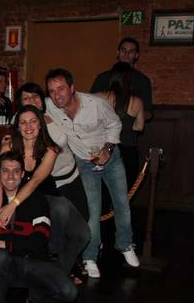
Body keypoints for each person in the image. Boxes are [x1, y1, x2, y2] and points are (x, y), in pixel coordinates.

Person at [45, 68, 139, 278]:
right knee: (93, 210)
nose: (57, 95)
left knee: (121, 203)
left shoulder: (95, 105)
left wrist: (107, 149)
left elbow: (116, 124)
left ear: (72, 88)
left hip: (110, 158)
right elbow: (31, 104)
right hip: (85, 163)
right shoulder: (50, 106)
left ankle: (124, 244)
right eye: (52, 91)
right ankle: (90, 257)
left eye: (61, 89)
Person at [0, 152, 77, 303]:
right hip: (6, 266)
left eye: (16, 171)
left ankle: (36, 296)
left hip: (34, 263)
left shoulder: (36, 200)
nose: (10, 176)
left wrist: (6, 244)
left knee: (69, 292)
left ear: (22, 174)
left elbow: (39, 241)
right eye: (5, 171)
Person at [0, 105, 90, 280]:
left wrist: (11, 206)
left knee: (83, 234)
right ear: (17, 127)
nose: (28, 127)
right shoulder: (9, 147)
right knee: (58, 221)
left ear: (40, 125)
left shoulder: (50, 149)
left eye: (33, 121)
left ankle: (61, 269)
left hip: (47, 196)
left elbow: (36, 180)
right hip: (26, 202)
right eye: (23, 122)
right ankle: (57, 275)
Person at [11, 82, 89, 219]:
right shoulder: (20, 122)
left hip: (69, 178)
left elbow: (77, 100)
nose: (32, 101)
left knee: (81, 220)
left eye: (35, 96)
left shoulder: (55, 112)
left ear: (42, 100)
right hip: (44, 184)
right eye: (26, 98)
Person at [95, 62, 146, 188]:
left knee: (102, 195)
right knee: (123, 196)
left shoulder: (99, 97)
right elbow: (139, 127)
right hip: (128, 152)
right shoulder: (137, 102)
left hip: (104, 150)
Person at [91, 37, 153, 121]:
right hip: (104, 129)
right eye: (123, 50)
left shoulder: (142, 80)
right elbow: (90, 104)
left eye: (131, 51)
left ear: (136, 55)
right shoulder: (103, 77)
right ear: (118, 52)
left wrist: (135, 114)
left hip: (129, 130)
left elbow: (148, 112)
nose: (126, 54)